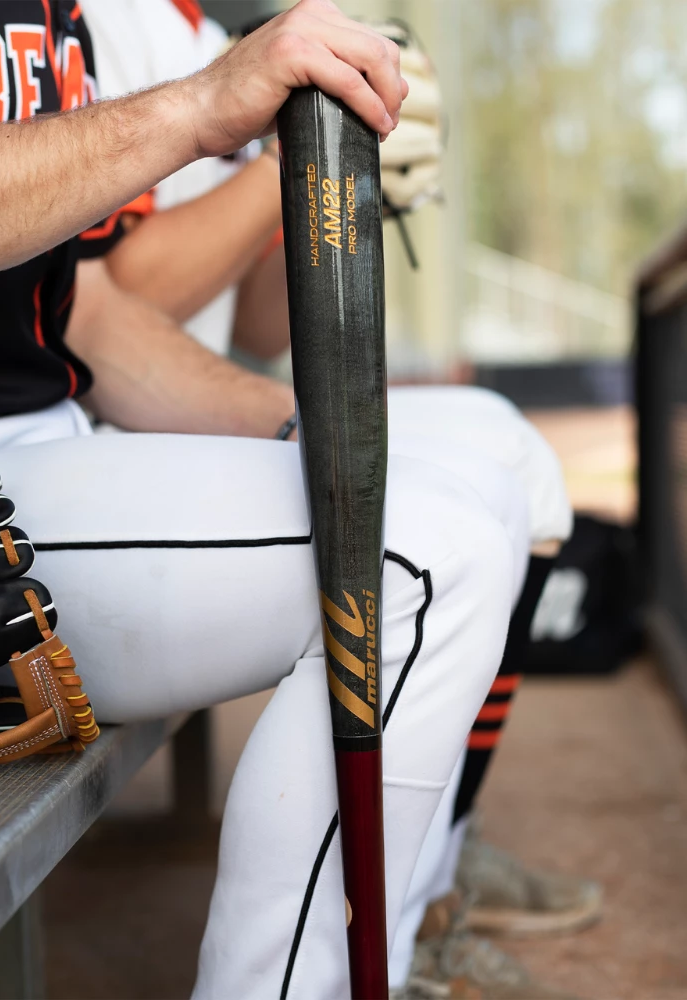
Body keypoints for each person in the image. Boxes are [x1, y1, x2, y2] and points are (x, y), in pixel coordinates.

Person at [0, 1, 519, 995]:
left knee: (471, 478)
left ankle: (392, 949)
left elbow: (76, 317)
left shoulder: (54, 11)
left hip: (28, 463)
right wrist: (196, 108)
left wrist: (312, 433)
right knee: (428, 553)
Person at [81, 2, 598, 996]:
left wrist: (342, 179)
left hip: (182, 403)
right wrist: (288, 144)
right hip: (125, 418)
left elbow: (262, 324)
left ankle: (429, 870)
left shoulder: (205, 36)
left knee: (510, 453)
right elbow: (111, 301)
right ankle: (384, 915)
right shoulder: (107, 22)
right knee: (436, 541)